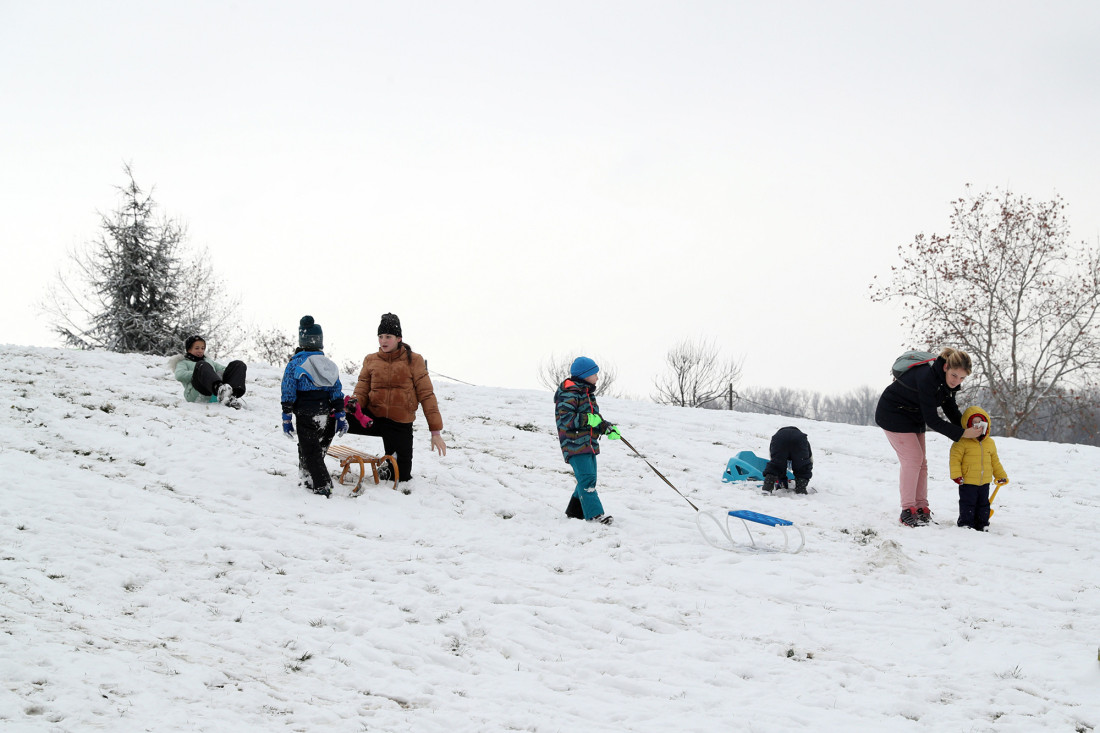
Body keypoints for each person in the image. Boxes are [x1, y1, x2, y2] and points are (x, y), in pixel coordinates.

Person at [875, 347, 985, 527]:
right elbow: (932, 420)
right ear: (946, 367)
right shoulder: (928, 377)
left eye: (962, 378)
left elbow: (950, 408)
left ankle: (921, 507)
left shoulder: (947, 382)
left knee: (922, 462)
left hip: (914, 415)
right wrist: (963, 434)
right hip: (892, 414)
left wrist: (967, 427)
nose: (957, 381)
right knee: (913, 460)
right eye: (955, 376)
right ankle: (907, 510)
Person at [346, 313, 446, 484]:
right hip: (373, 418)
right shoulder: (371, 360)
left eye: (388, 337)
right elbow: (362, 389)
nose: (383, 341)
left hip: (399, 424)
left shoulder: (414, 360)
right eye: (380, 336)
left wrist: (435, 431)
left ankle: (387, 465)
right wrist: (353, 405)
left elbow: (427, 395)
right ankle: (313, 461)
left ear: (399, 338)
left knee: (401, 476)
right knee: (330, 419)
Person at [281, 316, 347, 498]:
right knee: (314, 447)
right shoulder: (328, 364)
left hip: (305, 413)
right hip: (325, 414)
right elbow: (336, 389)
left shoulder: (296, 363)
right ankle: (306, 475)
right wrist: (340, 414)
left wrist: (286, 415)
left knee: (310, 450)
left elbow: (288, 389)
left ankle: (322, 484)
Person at [554, 356, 619, 525]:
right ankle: (595, 515)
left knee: (587, 479)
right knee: (587, 480)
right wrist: (589, 420)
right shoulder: (569, 392)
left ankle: (574, 512)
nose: (597, 377)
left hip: (588, 443)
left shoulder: (587, 394)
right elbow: (566, 419)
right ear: (584, 375)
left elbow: (594, 419)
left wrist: (605, 427)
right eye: (594, 374)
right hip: (574, 443)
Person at [949, 406, 1009, 531]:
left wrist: (1001, 475)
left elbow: (995, 461)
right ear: (968, 425)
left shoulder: (990, 443)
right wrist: (956, 475)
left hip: (985, 481)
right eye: (974, 423)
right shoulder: (961, 442)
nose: (977, 425)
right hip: (967, 481)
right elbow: (955, 459)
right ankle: (966, 523)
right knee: (968, 503)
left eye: (980, 422)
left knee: (984, 504)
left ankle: (983, 524)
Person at [172, 335, 247, 409]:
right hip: (196, 393)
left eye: (202, 348)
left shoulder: (208, 361)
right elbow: (179, 375)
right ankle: (219, 389)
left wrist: (213, 375)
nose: (200, 350)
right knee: (202, 365)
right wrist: (199, 374)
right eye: (197, 348)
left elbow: (225, 370)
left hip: (212, 391)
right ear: (189, 349)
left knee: (238, 364)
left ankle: (231, 395)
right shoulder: (183, 362)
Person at [763, 426, 812, 494]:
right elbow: (809, 458)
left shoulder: (778, 436)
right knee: (802, 466)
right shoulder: (801, 438)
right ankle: (801, 488)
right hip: (799, 439)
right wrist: (805, 469)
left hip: (779, 438)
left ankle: (767, 487)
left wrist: (781, 478)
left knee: (776, 465)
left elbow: (774, 459)